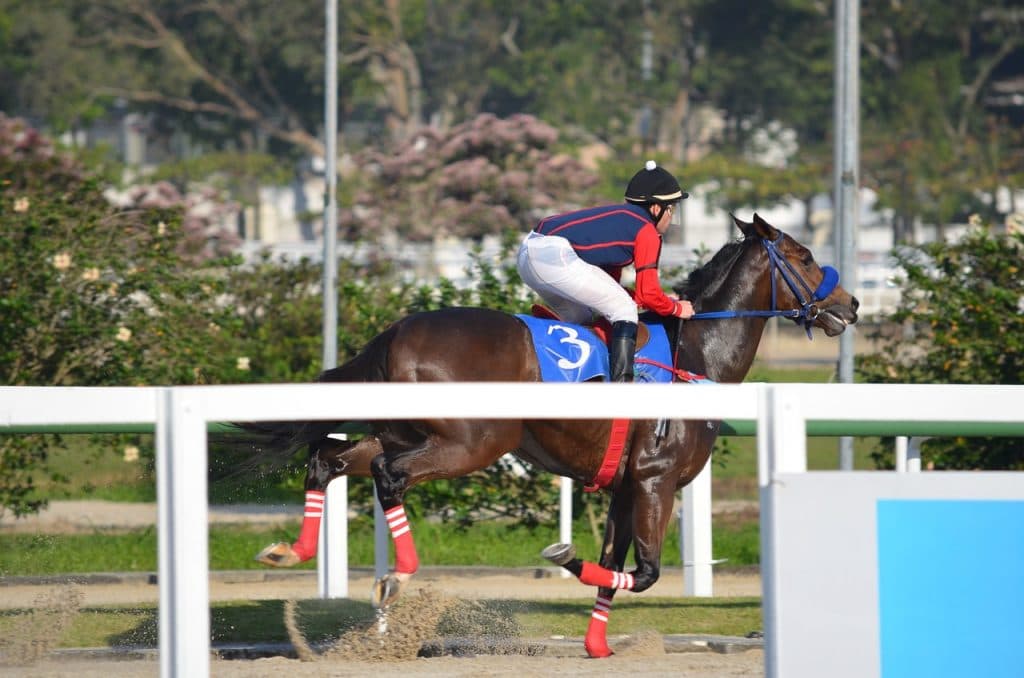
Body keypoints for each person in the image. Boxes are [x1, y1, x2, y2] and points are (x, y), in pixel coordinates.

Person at [517, 160, 695, 382]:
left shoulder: (622, 221)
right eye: (671, 209)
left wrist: (659, 301)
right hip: (552, 256)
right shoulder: (647, 231)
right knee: (624, 309)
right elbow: (647, 294)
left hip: (528, 252)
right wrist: (676, 308)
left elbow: (609, 287)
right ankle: (622, 386)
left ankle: (571, 375)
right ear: (656, 208)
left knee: (580, 317)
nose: (671, 217)